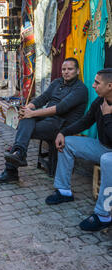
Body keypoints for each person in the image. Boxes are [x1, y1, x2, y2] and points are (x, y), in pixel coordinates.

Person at [0, 58, 88, 184]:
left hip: (62, 124)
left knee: (25, 129)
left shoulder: (80, 89)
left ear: (77, 71)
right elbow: (42, 98)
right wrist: (28, 108)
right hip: (48, 118)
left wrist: (32, 113)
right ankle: (19, 153)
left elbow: (59, 108)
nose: (66, 72)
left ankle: (12, 168)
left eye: (70, 69)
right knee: (26, 120)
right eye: (64, 69)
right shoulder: (57, 82)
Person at [46, 68, 112, 232]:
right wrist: (63, 132)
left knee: (107, 160)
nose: (93, 85)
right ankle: (63, 191)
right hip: (103, 147)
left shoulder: (106, 109)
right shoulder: (100, 102)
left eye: (97, 83)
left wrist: (108, 116)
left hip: (109, 154)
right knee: (67, 143)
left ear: (110, 85)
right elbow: (85, 122)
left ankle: (104, 215)